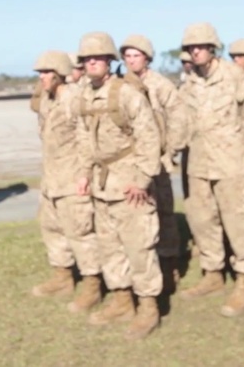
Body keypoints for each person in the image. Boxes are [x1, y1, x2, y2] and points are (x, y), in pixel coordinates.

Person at [74, 32, 163, 340]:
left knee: (139, 248)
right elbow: (84, 137)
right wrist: (84, 172)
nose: (92, 62)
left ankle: (148, 306)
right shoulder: (85, 94)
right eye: (87, 58)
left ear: (110, 60)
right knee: (110, 249)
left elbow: (150, 136)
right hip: (102, 185)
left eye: (98, 57)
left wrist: (141, 179)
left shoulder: (126, 94)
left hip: (129, 185)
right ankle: (122, 299)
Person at [176, 22, 244, 317]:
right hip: (198, 162)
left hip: (230, 163)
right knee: (202, 219)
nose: (194, 51)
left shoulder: (233, 76)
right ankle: (212, 273)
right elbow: (183, 122)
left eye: (199, 46)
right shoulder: (189, 82)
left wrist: (242, 152)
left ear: (212, 48)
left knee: (238, 221)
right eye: (189, 48)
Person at [29, 50, 102, 313]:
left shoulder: (74, 100)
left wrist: (84, 174)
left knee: (80, 233)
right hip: (51, 178)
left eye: (47, 73)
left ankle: (92, 284)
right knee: (51, 228)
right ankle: (62, 277)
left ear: (60, 74)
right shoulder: (47, 99)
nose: (42, 77)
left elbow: (87, 139)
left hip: (72, 178)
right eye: (40, 73)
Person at [120, 34, 186, 293]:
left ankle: (170, 264)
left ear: (147, 58)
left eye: (136, 55)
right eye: (127, 56)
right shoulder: (121, 85)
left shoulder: (161, 85)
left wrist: (170, 152)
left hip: (158, 161)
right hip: (132, 164)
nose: (131, 60)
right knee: (138, 216)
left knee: (165, 214)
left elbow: (179, 118)